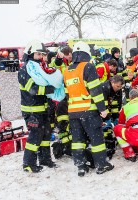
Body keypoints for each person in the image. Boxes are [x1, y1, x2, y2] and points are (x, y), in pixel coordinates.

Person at [63, 41, 114, 176]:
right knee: (96, 139)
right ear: (86, 54)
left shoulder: (67, 70)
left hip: (73, 112)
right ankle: (101, 165)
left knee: (78, 140)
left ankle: (81, 166)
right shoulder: (88, 67)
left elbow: (67, 93)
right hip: (89, 111)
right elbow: (95, 91)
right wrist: (103, 110)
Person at [19, 40, 57, 173]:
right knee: (35, 137)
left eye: (42, 54)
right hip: (32, 110)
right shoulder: (25, 69)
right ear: (30, 53)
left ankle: (45, 159)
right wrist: (49, 89)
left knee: (46, 135)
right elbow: (32, 89)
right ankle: (28, 164)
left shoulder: (38, 68)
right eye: (38, 54)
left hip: (43, 108)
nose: (41, 57)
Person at [101, 75, 124, 159]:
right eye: (117, 86)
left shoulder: (118, 90)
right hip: (99, 109)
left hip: (107, 109)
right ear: (112, 82)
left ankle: (110, 140)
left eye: (120, 87)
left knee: (112, 123)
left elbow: (117, 105)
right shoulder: (104, 88)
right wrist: (108, 118)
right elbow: (103, 106)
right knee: (105, 125)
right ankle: (105, 141)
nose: (118, 88)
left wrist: (116, 117)